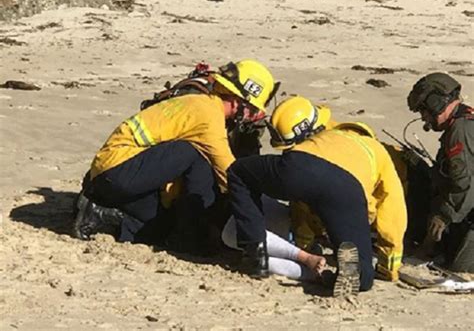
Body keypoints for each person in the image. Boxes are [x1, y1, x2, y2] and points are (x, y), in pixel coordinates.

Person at [73, 59, 277, 249]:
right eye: (252, 109)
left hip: (112, 173)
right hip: (118, 170)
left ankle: (97, 214)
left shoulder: (198, 102)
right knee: (195, 153)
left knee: (156, 229)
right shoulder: (208, 117)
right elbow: (229, 173)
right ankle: (191, 235)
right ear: (236, 101)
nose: (254, 116)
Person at [227, 96, 406, 296]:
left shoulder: (322, 138)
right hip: (349, 192)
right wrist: (389, 266)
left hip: (300, 166)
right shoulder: (376, 150)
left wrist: (306, 244)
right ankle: (359, 275)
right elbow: (393, 212)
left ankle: (255, 250)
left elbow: (302, 199)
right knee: (362, 273)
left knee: (239, 172)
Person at [407, 72, 473, 272]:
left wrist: (442, 218)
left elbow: (464, 185)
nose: (424, 118)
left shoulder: (459, 132)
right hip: (467, 208)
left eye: (424, 111)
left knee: (461, 268)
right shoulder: (462, 122)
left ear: (436, 103)